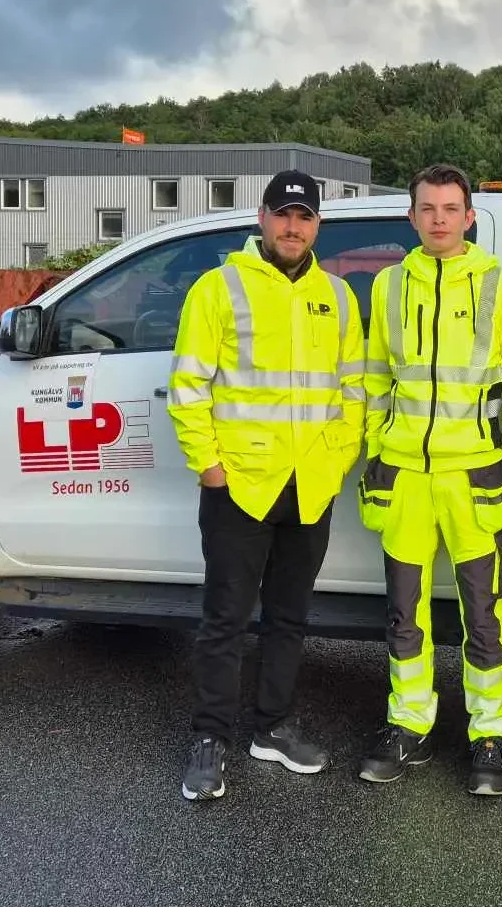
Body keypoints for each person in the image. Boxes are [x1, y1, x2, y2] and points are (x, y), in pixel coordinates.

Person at [166, 169, 366, 801]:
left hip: (310, 485)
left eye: (304, 217)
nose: (292, 226)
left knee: (289, 617)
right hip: (240, 486)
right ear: (262, 217)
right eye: (283, 214)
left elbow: (353, 390)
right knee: (224, 618)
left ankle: (272, 728)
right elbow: (188, 386)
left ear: (316, 226)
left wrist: (335, 462)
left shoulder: (337, 297)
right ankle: (210, 738)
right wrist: (210, 466)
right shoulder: (218, 288)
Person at [355, 163, 502, 796]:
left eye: (449, 208)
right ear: (412, 217)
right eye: (427, 208)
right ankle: (409, 722)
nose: (438, 219)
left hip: (473, 477)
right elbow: (376, 376)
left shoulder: (498, 285)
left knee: (484, 615)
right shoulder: (386, 287)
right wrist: (378, 445)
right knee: (404, 614)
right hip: (406, 474)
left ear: (468, 217)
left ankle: (491, 734)